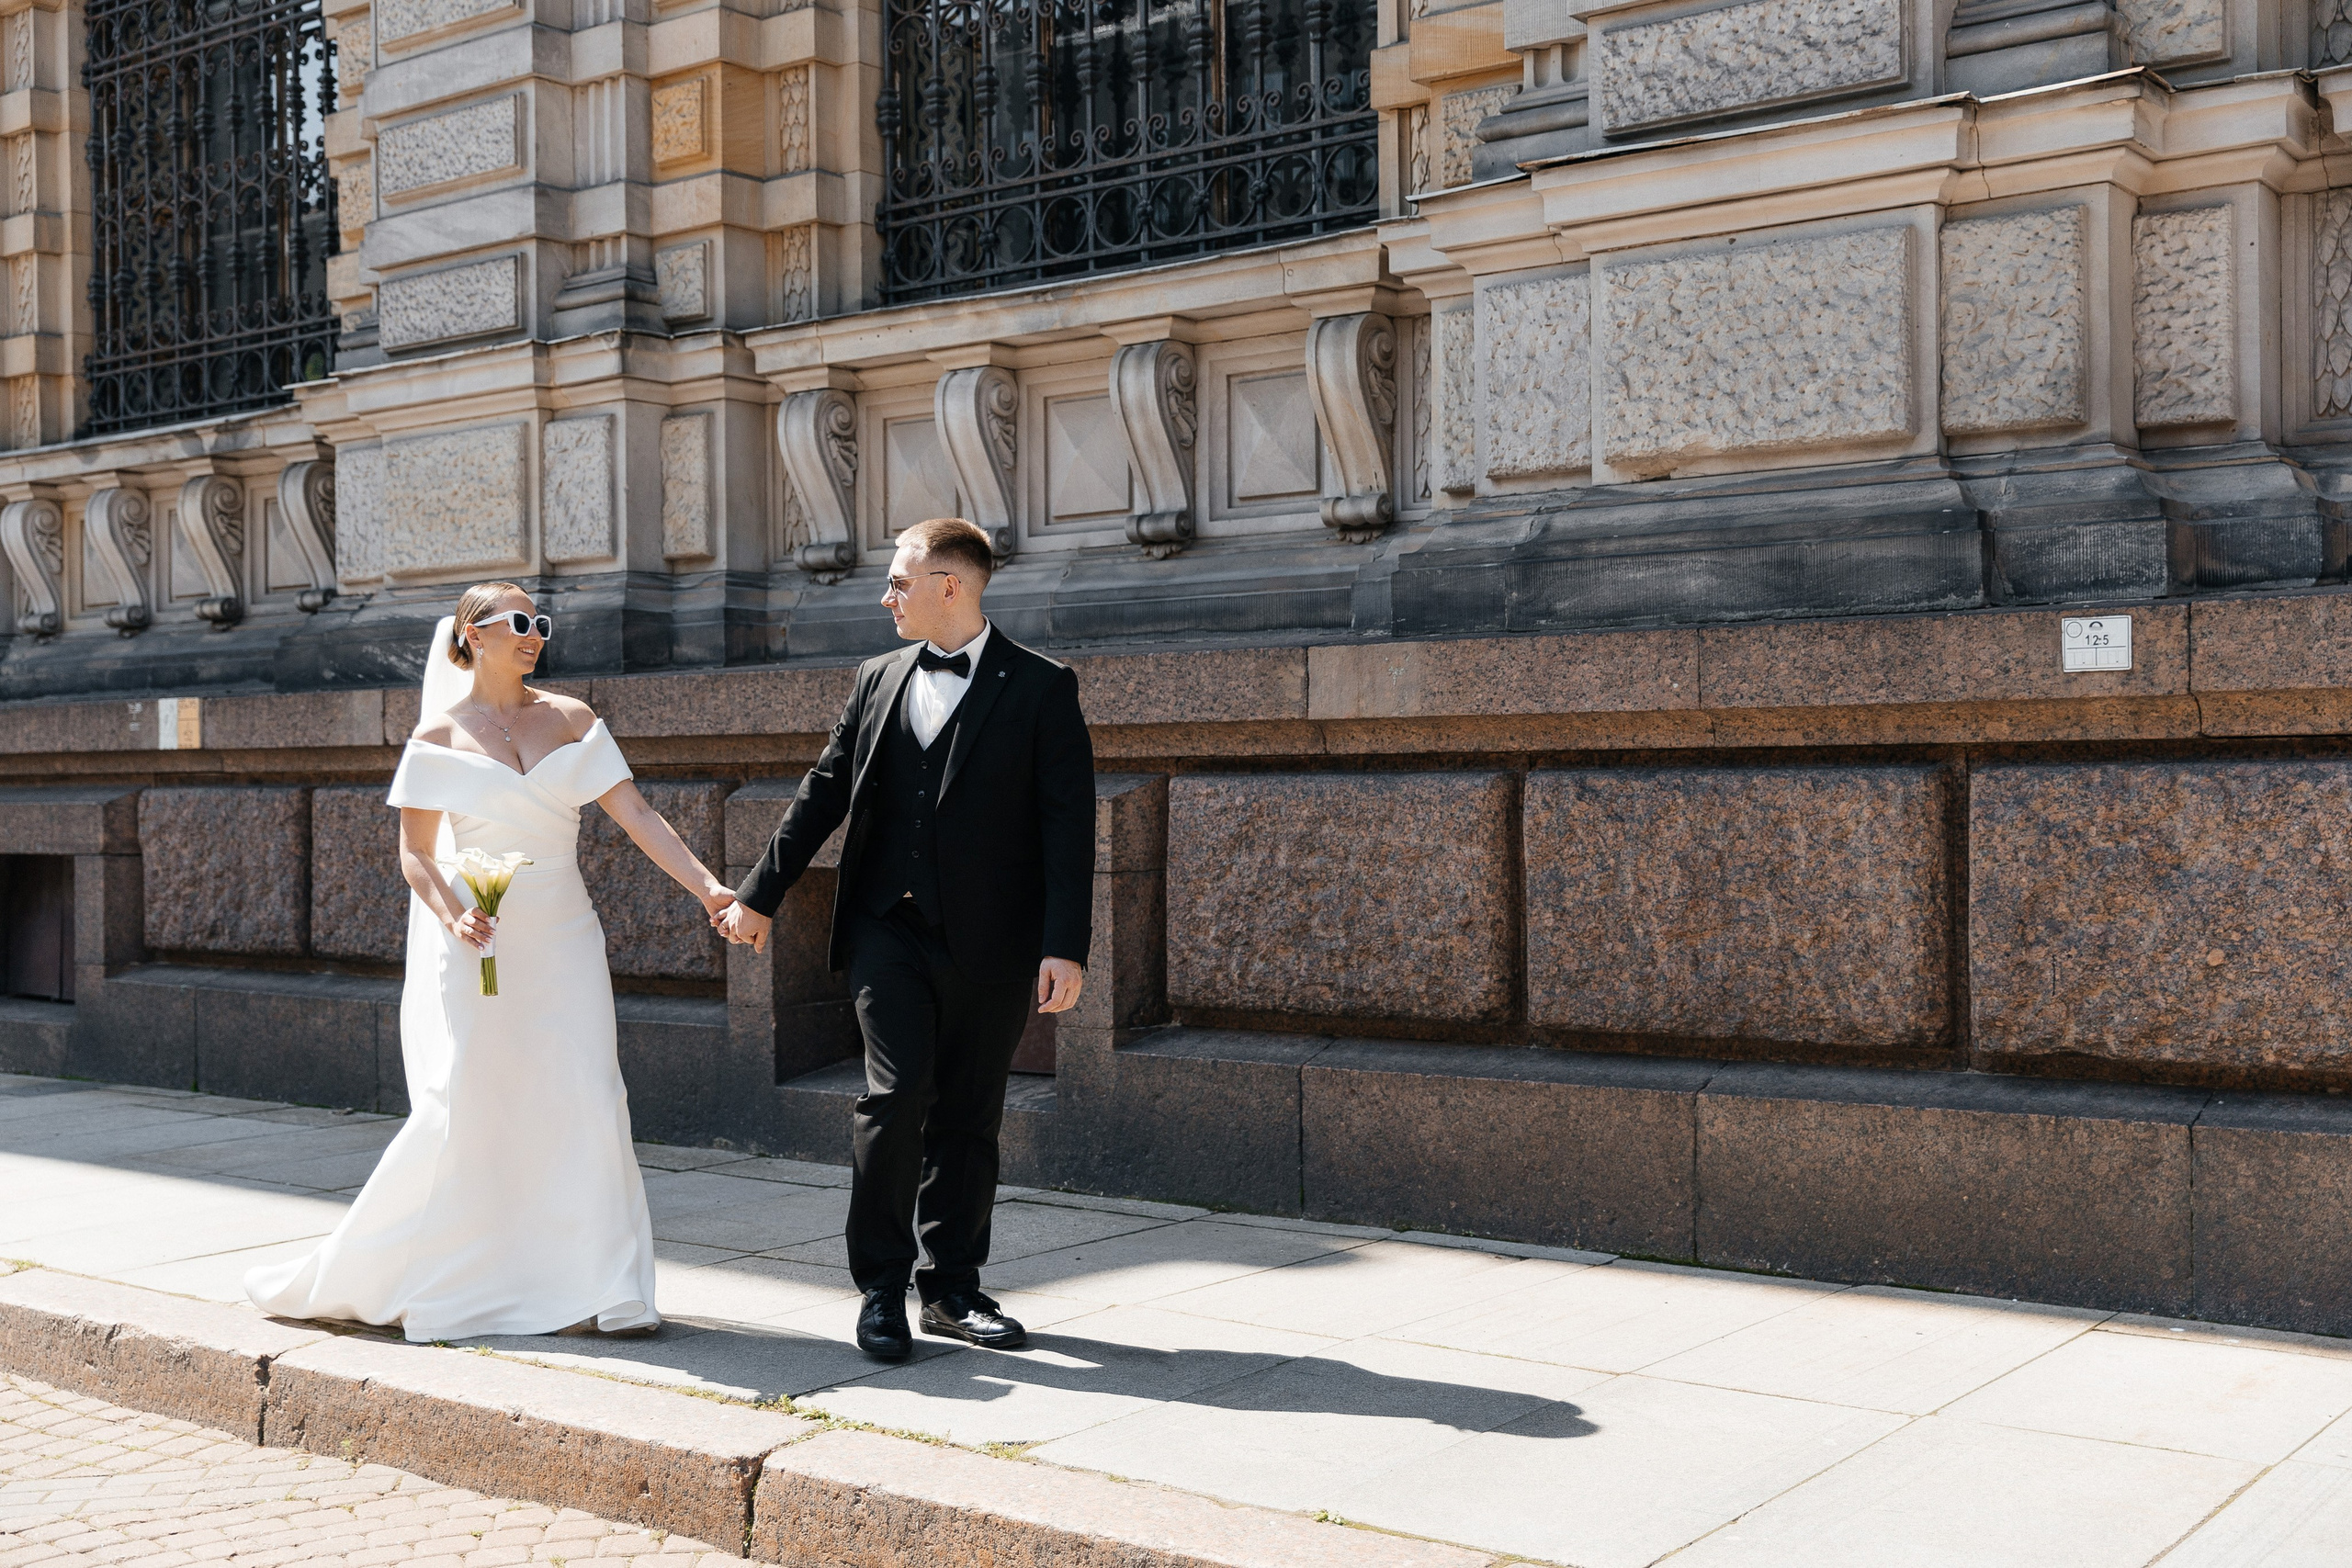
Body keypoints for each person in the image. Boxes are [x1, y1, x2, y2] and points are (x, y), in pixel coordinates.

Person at [246, 582, 740, 1342]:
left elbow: (639, 814)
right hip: (483, 940)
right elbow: (414, 853)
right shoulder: (438, 736)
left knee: (587, 1092)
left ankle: (610, 1287)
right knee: (479, 1100)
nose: (534, 633)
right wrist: (454, 914)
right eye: (517, 622)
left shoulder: (572, 719)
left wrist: (709, 889)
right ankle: (461, 1274)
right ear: (473, 634)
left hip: (565, 935)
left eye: (540, 622)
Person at [717, 517, 1094, 1360]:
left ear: (949, 585)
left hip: (993, 939)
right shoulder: (876, 677)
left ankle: (953, 1288)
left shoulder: (1042, 688)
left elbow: (1067, 828)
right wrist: (759, 895)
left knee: (969, 1113)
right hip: (887, 929)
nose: (887, 594)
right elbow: (823, 792)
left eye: (900, 580)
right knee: (894, 1096)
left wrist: (1065, 944)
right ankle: (881, 1288)